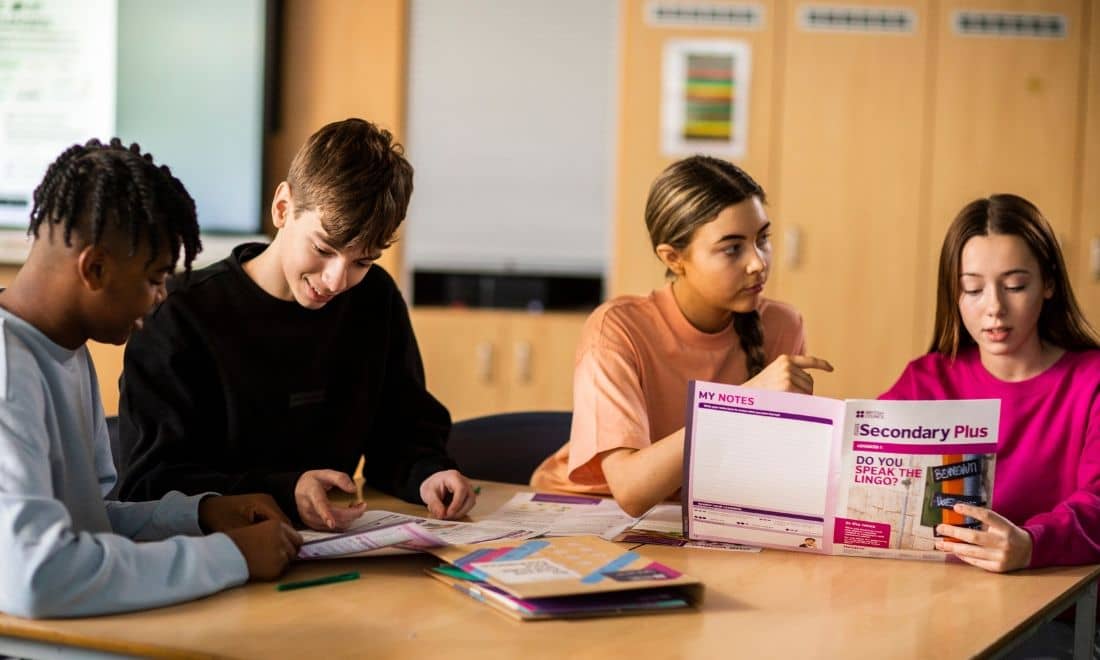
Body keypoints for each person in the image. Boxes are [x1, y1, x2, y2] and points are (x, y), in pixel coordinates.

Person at [117, 118, 475, 531]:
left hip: (334, 551)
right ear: (283, 208)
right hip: (219, 558)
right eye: (323, 249)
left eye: (362, 261)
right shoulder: (180, 316)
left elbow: (403, 433)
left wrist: (428, 473)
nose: (336, 281)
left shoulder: (374, 299)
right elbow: (150, 485)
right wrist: (285, 491)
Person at [0, 139, 301, 619]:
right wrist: (232, 556)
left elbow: (89, 526)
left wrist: (199, 515)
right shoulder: (8, 371)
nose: (162, 297)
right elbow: (37, 576)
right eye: (155, 279)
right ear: (95, 268)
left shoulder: (66, 349)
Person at [530, 155, 833, 516]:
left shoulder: (783, 325)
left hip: (696, 517)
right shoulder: (617, 328)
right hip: (588, 512)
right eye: (732, 248)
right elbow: (630, 491)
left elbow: (773, 474)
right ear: (674, 258)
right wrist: (744, 400)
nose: (758, 263)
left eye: (762, 239)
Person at [881, 194, 1100, 573]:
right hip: (940, 596)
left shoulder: (1091, 380)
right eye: (973, 288)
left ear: (1048, 283)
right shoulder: (927, 379)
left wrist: (1032, 544)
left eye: (1014, 285)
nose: (994, 307)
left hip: (1053, 608)